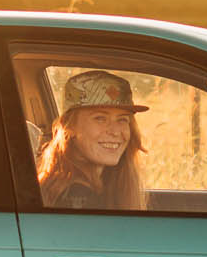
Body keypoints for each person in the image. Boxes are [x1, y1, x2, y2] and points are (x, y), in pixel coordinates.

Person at [36, 69, 148, 210]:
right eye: (100, 118)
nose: (114, 131)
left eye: (122, 119)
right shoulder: (75, 197)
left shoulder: (101, 185)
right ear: (69, 126)